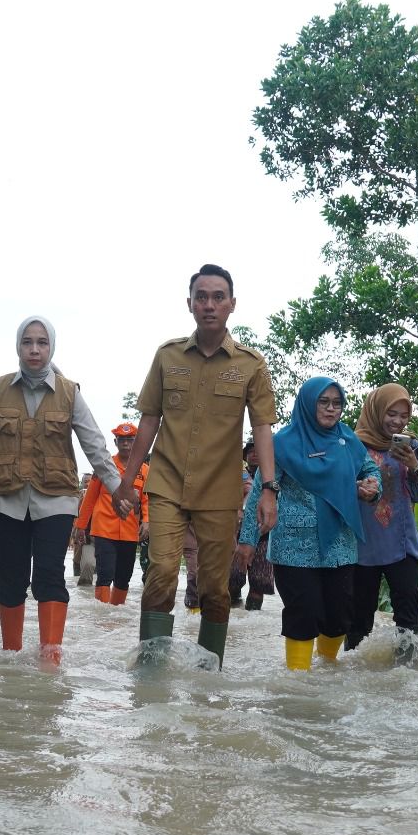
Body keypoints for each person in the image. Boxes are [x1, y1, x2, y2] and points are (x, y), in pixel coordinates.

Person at [114, 264, 278, 668]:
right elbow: (149, 420)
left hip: (219, 492)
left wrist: (269, 489)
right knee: (161, 573)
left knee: (215, 588)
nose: (209, 305)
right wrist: (128, 481)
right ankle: (151, 672)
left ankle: (209, 675)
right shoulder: (167, 355)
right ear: (189, 304)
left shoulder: (251, 364)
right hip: (167, 483)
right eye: (201, 297)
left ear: (232, 304)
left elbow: (262, 427)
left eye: (218, 297)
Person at [0, 316, 123, 661]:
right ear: (18, 346)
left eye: (42, 343)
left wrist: (118, 488)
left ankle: (50, 655)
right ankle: (11, 655)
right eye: (27, 342)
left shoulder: (69, 392)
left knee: (48, 573)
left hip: (56, 499)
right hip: (8, 499)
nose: (34, 349)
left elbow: (94, 444)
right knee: (11, 577)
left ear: (51, 347)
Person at [237, 378, 380, 670]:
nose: (331, 409)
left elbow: (369, 469)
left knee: (339, 615)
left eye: (337, 403)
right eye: (323, 402)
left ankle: (327, 673)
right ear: (307, 404)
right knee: (303, 612)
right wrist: (248, 540)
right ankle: (298, 683)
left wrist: (372, 485)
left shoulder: (347, 440)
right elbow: (259, 495)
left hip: (340, 545)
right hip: (294, 547)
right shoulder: (282, 444)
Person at [347, 384, 418, 662]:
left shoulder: (412, 446)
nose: (398, 421)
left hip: (402, 542)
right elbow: (338, 488)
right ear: (376, 411)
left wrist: (413, 466)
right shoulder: (352, 446)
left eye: (404, 416)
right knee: (359, 618)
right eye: (391, 414)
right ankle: (352, 674)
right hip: (363, 544)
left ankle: (406, 676)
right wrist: (358, 488)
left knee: (409, 617)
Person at [72, 422, 149, 604]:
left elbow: (147, 499)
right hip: (104, 530)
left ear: (136, 442)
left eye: (130, 440)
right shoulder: (105, 466)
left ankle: (117, 615)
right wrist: (80, 526)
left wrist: (147, 520)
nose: (125, 443)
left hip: (130, 532)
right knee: (105, 574)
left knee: (124, 577)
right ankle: (102, 615)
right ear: (115, 442)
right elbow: (90, 498)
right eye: (121, 440)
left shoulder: (144, 470)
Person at [229, 439, 275, 611]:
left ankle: (253, 615)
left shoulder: (274, 476)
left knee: (259, 581)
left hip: (265, 533)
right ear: (245, 456)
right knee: (233, 577)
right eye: (250, 452)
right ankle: (234, 613)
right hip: (238, 532)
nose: (255, 454)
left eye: (258, 450)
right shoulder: (236, 475)